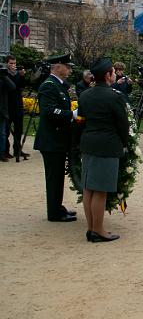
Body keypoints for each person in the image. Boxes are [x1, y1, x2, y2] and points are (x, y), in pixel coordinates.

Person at [77, 57, 129, 243]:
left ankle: (91, 228)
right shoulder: (114, 97)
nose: (115, 74)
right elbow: (122, 125)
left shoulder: (85, 95)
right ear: (108, 75)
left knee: (88, 188)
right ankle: (98, 230)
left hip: (88, 143)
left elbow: (81, 121)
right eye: (113, 72)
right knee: (100, 190)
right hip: (107, 145)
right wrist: (126, 143)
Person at [33, 53, 78, 222]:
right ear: (57, 66)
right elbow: (49, 111)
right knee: (54, 178)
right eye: (67, 66)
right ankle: (53, 212)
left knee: (58, 176)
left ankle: (57, 206)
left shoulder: (58, 85)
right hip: (51, 140)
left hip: (57, 139)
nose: (69, 69)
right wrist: (71, 114)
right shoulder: (49, 86)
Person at [4, 55, 28, 161]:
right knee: (6, 130)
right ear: (7, 63)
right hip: (7, 105)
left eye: (14, 63)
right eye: (11, 63)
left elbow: (21, 86)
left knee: (19, 130)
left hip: (18, 104)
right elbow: (10, 87)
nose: (13, 65)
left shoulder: (18, 74)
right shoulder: (4, 74)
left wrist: (22, 76)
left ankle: (17, 149)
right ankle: (5, 150)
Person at [0, 62, 17, 163]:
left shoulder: (3, 79)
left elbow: (13, 87)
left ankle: (2, 153)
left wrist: (4, 76)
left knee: (2, 134)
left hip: (2, 112)